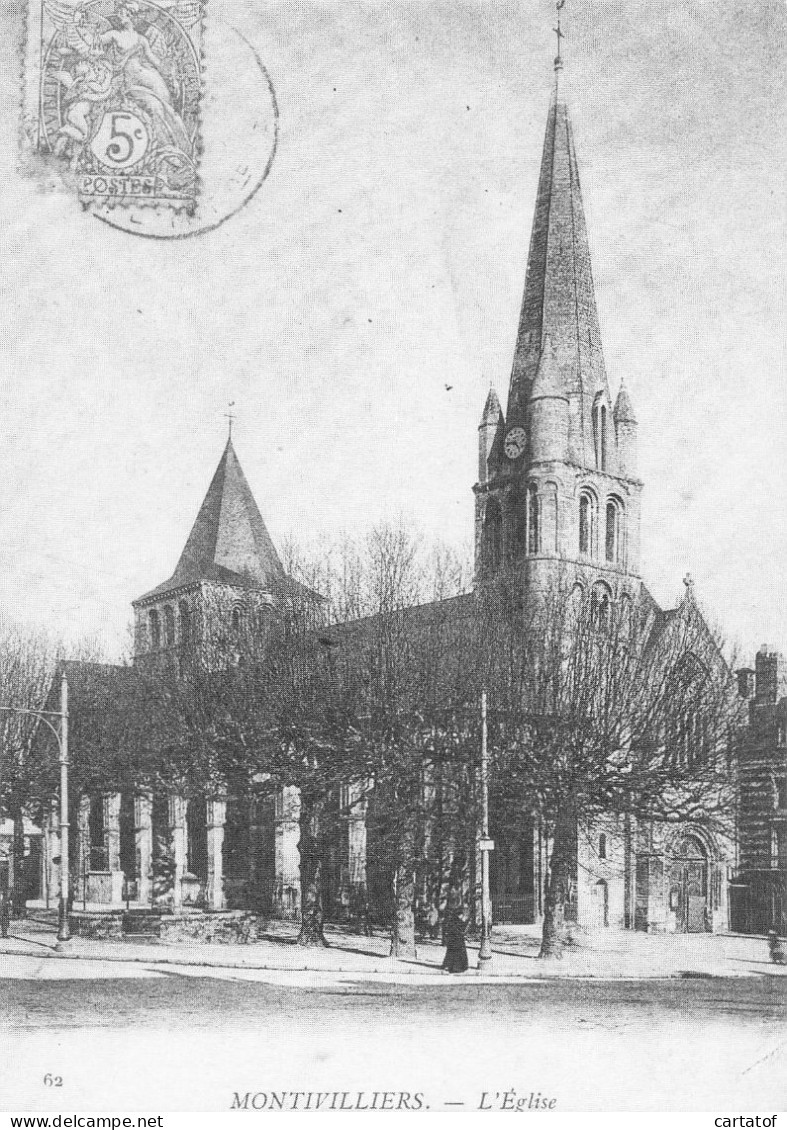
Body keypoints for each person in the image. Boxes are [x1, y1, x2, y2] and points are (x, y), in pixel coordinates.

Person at [441, 900, 468, 973]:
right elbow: (460, 928)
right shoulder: (457, 920)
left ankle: (449, 966)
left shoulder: (452, 919)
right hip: (457, 940)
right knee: (458, 954)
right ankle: (457, 967)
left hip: (453, 939)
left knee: (451, 953)